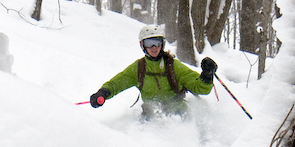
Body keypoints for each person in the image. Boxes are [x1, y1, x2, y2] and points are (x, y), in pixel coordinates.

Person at [89, 24, 218, 118]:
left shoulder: (173, 66)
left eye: (157, 42)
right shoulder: (139, 68)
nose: (154, 47)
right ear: (143, 45)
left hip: (178, 114)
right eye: (149, 43)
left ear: (163, 44)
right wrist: (102, 93)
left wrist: (206, 75)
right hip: (151, 116)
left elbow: (199, 87)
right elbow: (117, 83)